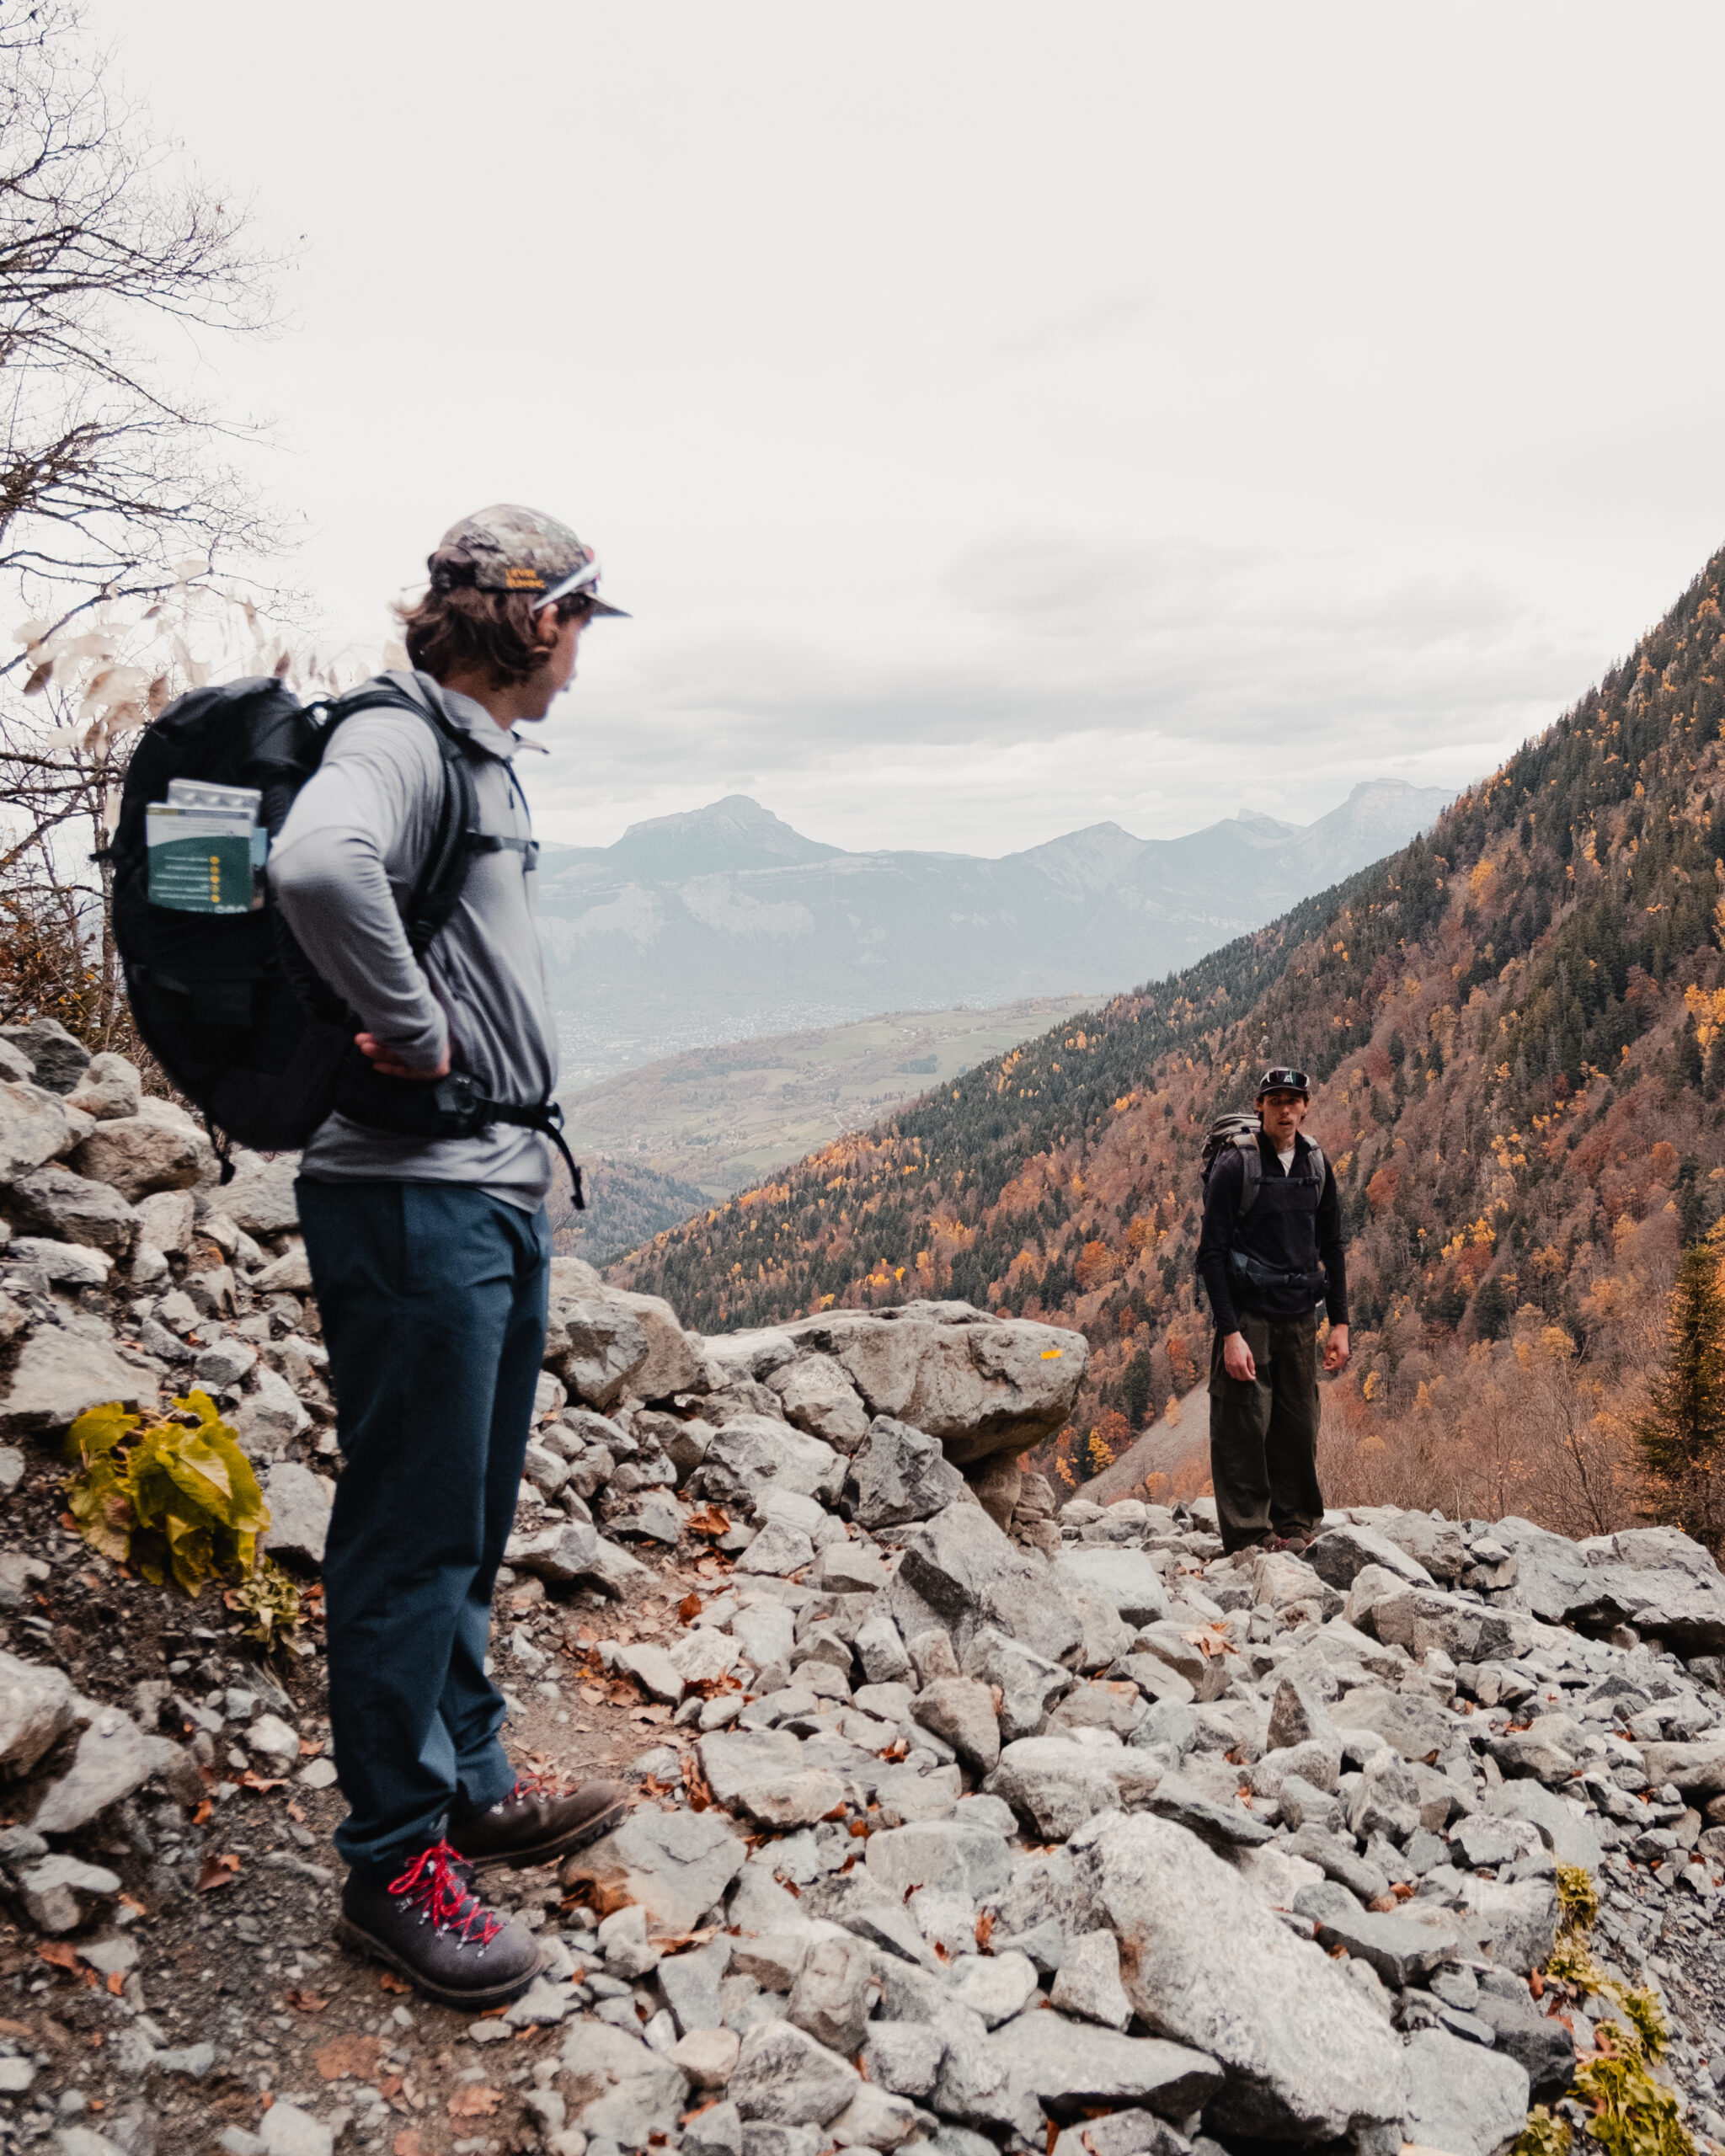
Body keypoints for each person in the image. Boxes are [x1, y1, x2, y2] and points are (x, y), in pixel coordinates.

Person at [269, 505, 628, 2007]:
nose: (585, 649)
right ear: (530, 619)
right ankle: (392, 1861)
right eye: (582, 619)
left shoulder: (468, 752)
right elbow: (312, 868)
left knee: (468, 1512)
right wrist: (414, 1035)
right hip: (412, 1196)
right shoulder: (399, 743)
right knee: (411, 1532)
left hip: (480, 1187)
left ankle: (469, 1779)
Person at [1196, 1064, 1348, 1556]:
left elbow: (1334, 1245)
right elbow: (1211, 1256)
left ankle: (1296, 1525)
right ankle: (1250, 1536)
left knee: (1298, 1424)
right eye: (1276, 1100)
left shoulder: (1316, 1164)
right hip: (1250, 1318)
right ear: (1260, 1105)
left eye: (1294, 1101)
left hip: (1302, 1317)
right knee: (1244, 1426)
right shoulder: (1236, 1165)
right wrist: (1231, 1332)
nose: (1286, 1109)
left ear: (1306, 1106)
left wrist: (1340, 1323)